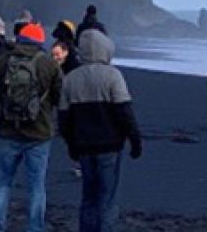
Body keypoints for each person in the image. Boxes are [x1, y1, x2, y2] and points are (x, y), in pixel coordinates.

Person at [58, 29, 144, 232]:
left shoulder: (71, 78)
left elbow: (63, 118)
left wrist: (71, 144)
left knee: (88, 196)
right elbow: (125, 112)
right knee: (107, 198)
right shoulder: (113, 76)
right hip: (109, 146)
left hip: (83, 146)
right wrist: (135, 140)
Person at [0, 22, 62, 232]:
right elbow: (58, 97)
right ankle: (35, 227)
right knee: (36, 187)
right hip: (39, 133)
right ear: (40, 42)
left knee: (3, 182)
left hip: (9, 130)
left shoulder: (3, 60)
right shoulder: (48, 64)